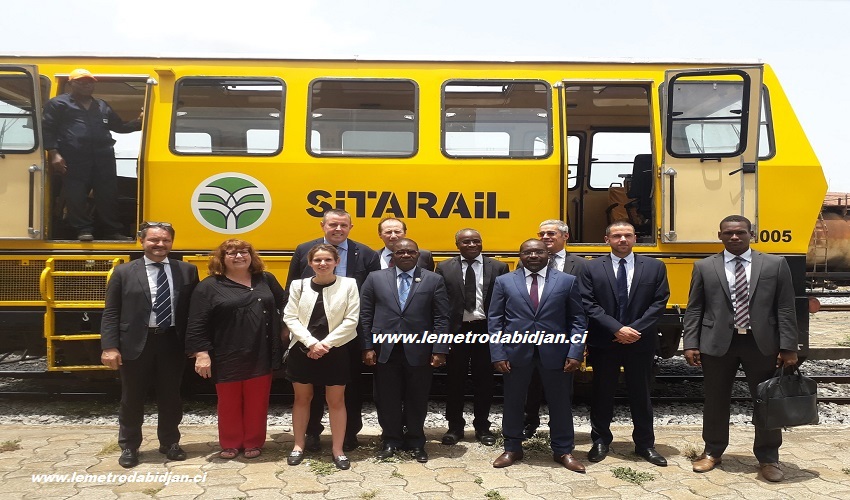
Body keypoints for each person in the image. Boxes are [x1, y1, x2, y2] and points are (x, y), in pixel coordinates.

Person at [683, 215, 799, 482]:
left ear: (751, 234)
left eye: (740, 232)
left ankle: (768, 457)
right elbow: (695, 308)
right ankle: (712, 451)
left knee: (766, 401)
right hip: (716, 343)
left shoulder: (774, 264)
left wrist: (788, 347)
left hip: (762, 343)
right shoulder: (704, 266)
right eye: (728, 233)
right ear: (720, 236)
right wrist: (690, 343)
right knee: (715, 400)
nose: (734, 237)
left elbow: (785, 307)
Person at [100, 222, 199, 468]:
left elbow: (194, 311)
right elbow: (111, 312)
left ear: (172, 243)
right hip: (135, 343)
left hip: (172, 341)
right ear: (142, 241)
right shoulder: (123, 272)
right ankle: (129, 446)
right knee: (132, 397)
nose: (160, 244)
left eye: (165, 240)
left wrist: (196, 344)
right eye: (154, 240)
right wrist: (109, 347)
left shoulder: (187, 270)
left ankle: (170, 442)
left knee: (171, 396)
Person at [286, 208, 380, 452]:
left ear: (350, 227)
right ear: (323, 226)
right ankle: (312, 433)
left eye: (343, 225)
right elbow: (290, 290)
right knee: (310, 392)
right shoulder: (304, 250)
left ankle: (348, 435)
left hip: (346, 337)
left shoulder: (367, 254)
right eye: (332, 225)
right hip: (308, 336)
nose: (338, 229)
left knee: (350, 389)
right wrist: (299, 336)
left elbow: (370, 297)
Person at [489, 239, 586, 472]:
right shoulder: (504, 281)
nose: (533, 256)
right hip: (515, 353)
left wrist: (575, 351)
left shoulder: (567, 281)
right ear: (520, 255)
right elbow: (495, 320)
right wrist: (498, 353)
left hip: (556, 353)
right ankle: (512, 448)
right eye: (528, 252)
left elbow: (577, 319)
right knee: (513, 401)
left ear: (548, 255)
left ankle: (563, 450)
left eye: (539, 252)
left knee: (560, 403)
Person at [579, 221, 670, 466]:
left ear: (635, 239)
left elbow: (659, 302)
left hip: (640, 341)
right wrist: (616, 328)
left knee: (641, 393)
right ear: (606, 239)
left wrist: (634, 330)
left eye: (627, 235)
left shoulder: (654, 267)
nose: (622, 240)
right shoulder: (591, 267)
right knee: (602, 392)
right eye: (617, 235)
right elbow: (588, 303)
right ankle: (600, 441)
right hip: (604, 340)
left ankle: (645, 444)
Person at [185, 239, 286, 460]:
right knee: (228, 402)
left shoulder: (266, 279)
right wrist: (201, 353)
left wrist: (285, 329)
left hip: (261, 351)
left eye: (243, 252)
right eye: (231, 253)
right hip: (226, 353)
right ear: (222, 259)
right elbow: (197, 322)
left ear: (251, 255)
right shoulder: (209, 286)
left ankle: (253, 442)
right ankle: (230, 443)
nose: (239, 256)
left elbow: (286, 304)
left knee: (258, 401)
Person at [361, 238, 450, 463]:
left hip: (420, 350)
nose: (406, 255)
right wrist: (367, 346)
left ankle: (416, 441)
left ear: (418, 254)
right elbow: (365, 315)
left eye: (411, 252)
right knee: (386, 397)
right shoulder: (375, 278)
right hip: (385, 349)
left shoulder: (434, 280)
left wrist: (440, 349)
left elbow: (441, 317)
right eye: (400, 252)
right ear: (393, 256)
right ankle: (391, 440)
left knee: (417, 397)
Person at [283, 244, 360, 470]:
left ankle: (338, 450)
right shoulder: (298, 285)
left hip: (335, 349)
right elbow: (290, 317)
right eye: (317, 260)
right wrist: (311, 343)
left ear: (337, 261)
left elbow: (351, 320)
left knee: (336, 401)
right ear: (310, 263)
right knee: (302, 399)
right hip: (303, 349)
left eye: (328, 259)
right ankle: (298, 446)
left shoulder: (349, 285)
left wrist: (324, 344)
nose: (322, 264)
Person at [42, 68, 141, 241]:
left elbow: (119, 127)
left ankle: (112, 231)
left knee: (108, 194)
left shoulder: (102, 105)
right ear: (71, 84)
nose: (86, 85)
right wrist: (54, 153)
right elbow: (47, 129)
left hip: (103, 157)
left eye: (89, 82)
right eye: (81, 82)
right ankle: (83, 230)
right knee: (76, 194)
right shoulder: (58, 104)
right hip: (73, 158)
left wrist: (140, 121)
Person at [436, 228, 508, 446]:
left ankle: (482, 427)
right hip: (457, 331)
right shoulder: (444, 267)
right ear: (457, 245)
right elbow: (440, 303)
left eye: (476, 241)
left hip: (485, 330)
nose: (472, 245)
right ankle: (455, 427)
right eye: (466, 242)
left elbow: (504, 301)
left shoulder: (498, 267)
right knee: (454, 380)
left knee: (484, 381)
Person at [524, 219, 585, 438]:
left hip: (564, 338)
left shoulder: (581, 265)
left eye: (551, 233)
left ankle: (559, 432)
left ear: (565, 236)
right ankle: (528, 423)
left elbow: (584, 305)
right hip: (530, 339)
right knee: (530, 385)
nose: (545, 237)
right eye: (541, 234)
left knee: (561, 389)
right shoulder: (527, 262)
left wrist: (579, 343)